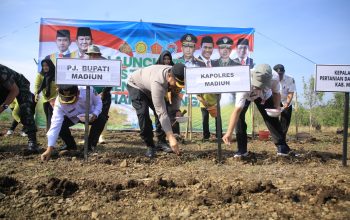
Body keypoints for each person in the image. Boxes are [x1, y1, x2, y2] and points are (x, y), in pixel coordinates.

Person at [222, 64, 292, 157]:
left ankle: (282, 148)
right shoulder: (243, 81)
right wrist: (229, 133)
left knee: (271, 119)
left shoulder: (274, 77)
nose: (259, 88)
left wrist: (277, 108)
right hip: (247, 95)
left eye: (262, 85)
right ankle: (242, 150)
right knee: (239, 119)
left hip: (264, 96)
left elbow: (276, 93)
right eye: (258, 85)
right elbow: (237, 110)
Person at [127, 63, 185, 158]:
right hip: (136, 85)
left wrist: (176, 110)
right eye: (177, 84)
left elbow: (175, 96)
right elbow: (161, 112)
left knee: (165, 111)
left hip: (149, 86)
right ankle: (150, 145)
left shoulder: (177, 75)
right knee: (143, 113)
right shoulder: (158, 82)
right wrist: (171, 137)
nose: (178, 87)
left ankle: (161, 142)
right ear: (169, 76)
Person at [40, 85, 103, 161]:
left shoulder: (88, 90)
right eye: (65, 99)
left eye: (70, 99)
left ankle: (90, 146)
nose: (67, 102)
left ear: (78, 93)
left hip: (90, 115)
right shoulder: (58, 103)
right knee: (60, 125)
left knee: (102, 118)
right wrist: (49, 149)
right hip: (72, 117)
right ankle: (70, 146)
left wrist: (95, 114)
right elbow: (55, 125)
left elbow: (98, 102)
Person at [0, 64, 39, 152]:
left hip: (20, 84)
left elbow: (15, 90)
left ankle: (33, 142)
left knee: (25, 110)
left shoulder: (1, 71)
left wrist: (4, 107)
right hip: (3, 87)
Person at [196, 36, 222, 141]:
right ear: (200, 47)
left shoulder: (215, 64)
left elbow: (220, 87)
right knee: (204, 120)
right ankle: (205, 137)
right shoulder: (196, 64)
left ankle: (219, 136)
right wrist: (202, 101)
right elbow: (197, 91)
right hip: (204, 102)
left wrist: (218, 101)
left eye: (210, 48)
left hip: (215, 101)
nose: (207, 50)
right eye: (205, 47)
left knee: (217, 119)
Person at [85, 45, 111, 147]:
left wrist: (103, 93)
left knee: (102, 116)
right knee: (88, 115)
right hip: (90, 94)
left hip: (103, 95)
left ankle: (101, 136)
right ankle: (88, 138)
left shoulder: (107, 64)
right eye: (90, 54)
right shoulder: (86, 65)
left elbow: (110, 80)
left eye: (94, 54)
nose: (92, 56)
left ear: (98, 54)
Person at [155, 51, 182, 143]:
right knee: (160, 115)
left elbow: (178, 87)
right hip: (158, 96)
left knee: (174, 113)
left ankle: (176, 136)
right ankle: (161, 139)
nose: (167, 61)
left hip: (171, 97)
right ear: (161, 59)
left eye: (168, 59)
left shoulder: (174, 70)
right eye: (165, 59)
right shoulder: (156, 70)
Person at [274, 64, 296, 140]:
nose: (279, 76)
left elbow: (290, 93)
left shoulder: (290, 79)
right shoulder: (270, 78)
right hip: (274, 99)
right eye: (277, 74)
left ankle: (282, 139)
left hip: (285, 100)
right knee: (273, 120)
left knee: (285, 121)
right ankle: (276, 137)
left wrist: (287, 103)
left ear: (284, 72)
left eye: (281, 74)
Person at [34, 59, 58, 131]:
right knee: (48, 115)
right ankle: (50, 131)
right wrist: (36, 94)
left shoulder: (56, 74)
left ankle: (50, 132)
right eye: (43, 66)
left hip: (55, 98)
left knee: (52, 115)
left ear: (50, 65)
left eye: (47, 65)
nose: (45, 67)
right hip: (45, 98)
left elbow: (60, 86)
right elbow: (37, 86)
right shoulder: (40, 75)